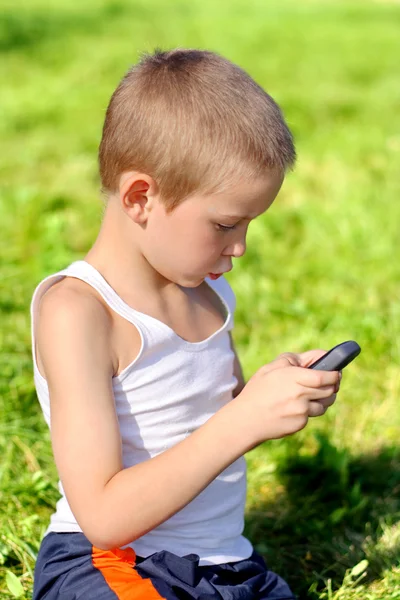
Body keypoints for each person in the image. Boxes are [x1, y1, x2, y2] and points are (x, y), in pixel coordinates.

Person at [30, 48, 340, 600]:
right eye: (225, 224)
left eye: (248, 224)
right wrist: (243, 421)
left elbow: (208, 421)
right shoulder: (79, 313)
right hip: (112, 562)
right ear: (141, 197)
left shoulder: (210, 293)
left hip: (227, 567)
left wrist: (272, 395)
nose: (240, 246)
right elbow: (102, 514)